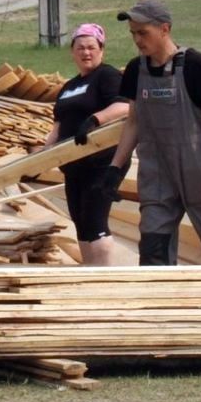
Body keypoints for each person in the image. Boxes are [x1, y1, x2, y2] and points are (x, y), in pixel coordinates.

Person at [100, 0, 201, 266]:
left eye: (143, 32)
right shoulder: (136, 70)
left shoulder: (195, 65)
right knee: (152, 252)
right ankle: (158, 306)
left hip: (198, 171)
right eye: (133, 33)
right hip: (157, 174)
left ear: (164, 29)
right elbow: (134, 122)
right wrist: (115, 168)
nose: (137, 40)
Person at [44, 23, 130, 265]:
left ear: (101, 50)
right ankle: (90, 273)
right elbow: (58, 126)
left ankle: (104, 279)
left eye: (92, 47)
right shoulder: (68, 87)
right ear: (72, 52)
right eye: (80, 48)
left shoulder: (107, 75)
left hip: (102, 162)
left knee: (94, 220)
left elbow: (125, 105)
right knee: (81, 223)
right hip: (73, 165)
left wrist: (95, 120)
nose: (86, 52)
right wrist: (42, 155)